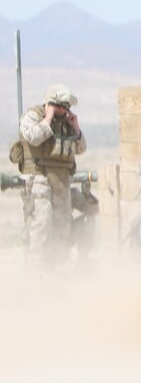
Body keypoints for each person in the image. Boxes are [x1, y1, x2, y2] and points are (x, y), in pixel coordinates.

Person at [13, 85, 94, 263]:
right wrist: (48, 119)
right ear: (50, 104)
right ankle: (35, 268)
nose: (65, 110)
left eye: (67, 107)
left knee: (63, 224)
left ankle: (57, 265)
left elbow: (81, 148)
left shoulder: (66, 123)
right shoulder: (33, 116)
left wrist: (76, 127)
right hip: (38, 178)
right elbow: (33, 137)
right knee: (42, 222)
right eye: (61, 106)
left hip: (61, 180)